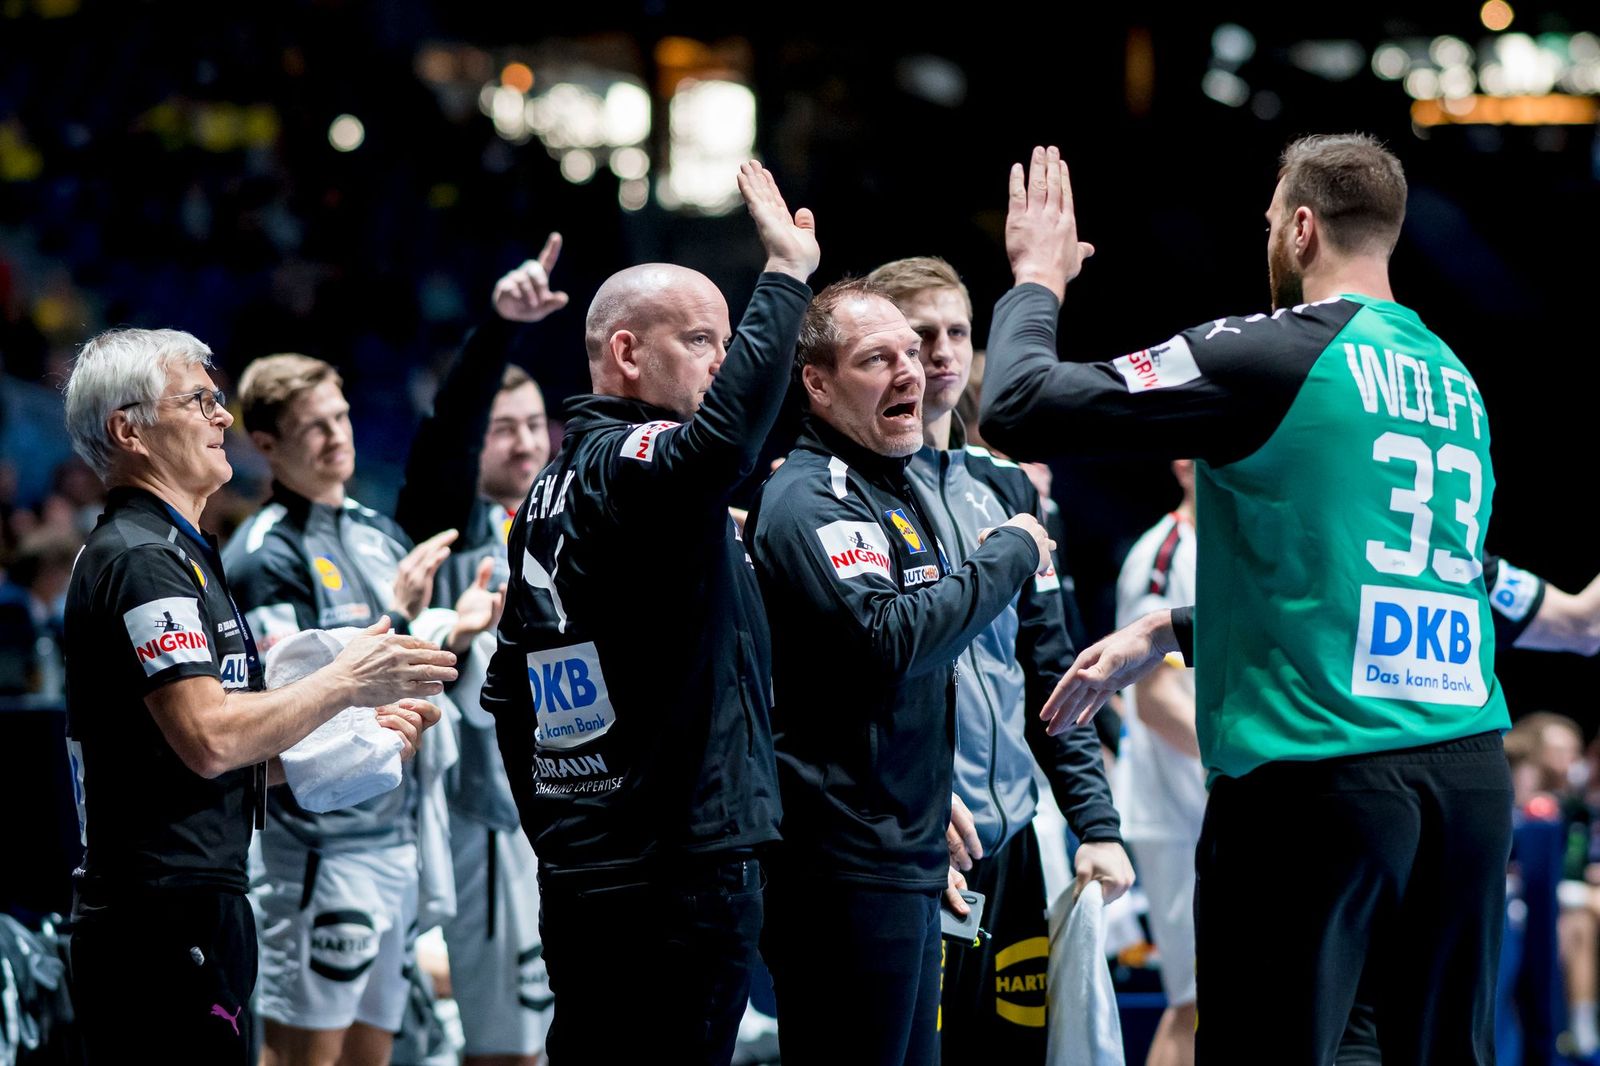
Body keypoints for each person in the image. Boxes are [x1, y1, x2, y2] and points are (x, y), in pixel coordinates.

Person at [980, 138, 1511, 1063]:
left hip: (1322, 783)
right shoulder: (1454, 378)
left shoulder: (1274, 352)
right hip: (1467, 783)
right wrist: (1171, 626)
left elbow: (1018, 405)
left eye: (1270, 223)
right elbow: (1357, 581)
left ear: (1302, 228)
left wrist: (1037, 278)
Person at [479, 161, 818, 1065]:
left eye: (727, 341)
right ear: (628, 354)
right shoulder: (632, 459)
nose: (723, 361)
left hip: (595, 866)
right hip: (675, 869)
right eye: (703, 340)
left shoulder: (551, 491)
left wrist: (564, 829)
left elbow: (509, 690)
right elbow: (720, 448)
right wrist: (785, 275)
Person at [59, 327, 453, 1065]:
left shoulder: (178, 551)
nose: (222, 416)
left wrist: (357, 735)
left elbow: (193, 761)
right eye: (198, 400)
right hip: (160, 918)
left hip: (193, 902)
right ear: (128, 431)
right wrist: (347, 679)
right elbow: (212, 739)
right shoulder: (144, 559)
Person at [746, 276, 1053, 1066]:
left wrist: (923, 809)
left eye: (909, 353)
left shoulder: (890, 488)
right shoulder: (811, 495)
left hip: (902, 855)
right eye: (876, 359)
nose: (910, 371)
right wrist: (1009, 552)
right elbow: (890, 641)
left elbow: (885, 689)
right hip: (841, 869)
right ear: (818, 384)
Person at [865, 255, 1131, 1061]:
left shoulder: (1011, 489)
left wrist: (1095, 824)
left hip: (1011, 840)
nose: (942, 352)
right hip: (911, 844)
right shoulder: (843, 495)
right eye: (920, 335)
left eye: (957, 331)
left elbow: (1051, 668)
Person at [224, 353, 496, 1066]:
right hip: (318, 849)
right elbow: (291, 705)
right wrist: (398, 615)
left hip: (395, 837)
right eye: (313, 427)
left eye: (340, 417)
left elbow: (399, 667)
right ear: (266, 444)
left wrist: (454, 629)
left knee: (373, 1052)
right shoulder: (264, 556)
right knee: (302, 1055)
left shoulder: (380, 531)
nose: (337, 436)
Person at [394, 239, 569, 1066]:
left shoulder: (568, 518)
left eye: (536, 425)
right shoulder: (449, 528)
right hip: (489, 815)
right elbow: (445, 440)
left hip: (577, 809)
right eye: (504, 431)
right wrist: (499, 331)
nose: (526, 444)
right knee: (505, 1046)